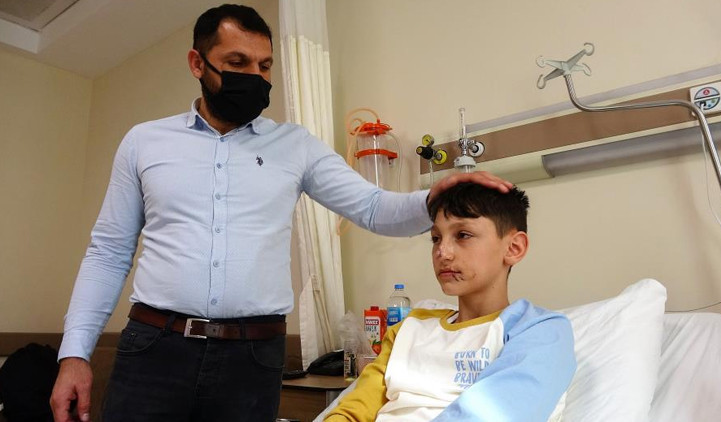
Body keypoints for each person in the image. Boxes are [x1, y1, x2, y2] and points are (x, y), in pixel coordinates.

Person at [48, 4, 514, 422]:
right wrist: (74, 355)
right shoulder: (144, 142)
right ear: (197, 63)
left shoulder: (295, 146)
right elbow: (108, 253)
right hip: (155, 349)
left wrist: (434, 197)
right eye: (237, 63)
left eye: (265, 65)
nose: (255, 76)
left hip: (251, 359)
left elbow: (373, 208)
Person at [324, 182, 576, 422]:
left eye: (463, 235)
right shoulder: (409, 328)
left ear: (513, 248)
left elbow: (496, 413)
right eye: (436, 238)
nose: (442, 252)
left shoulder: (539, 330)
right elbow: (354, 408)